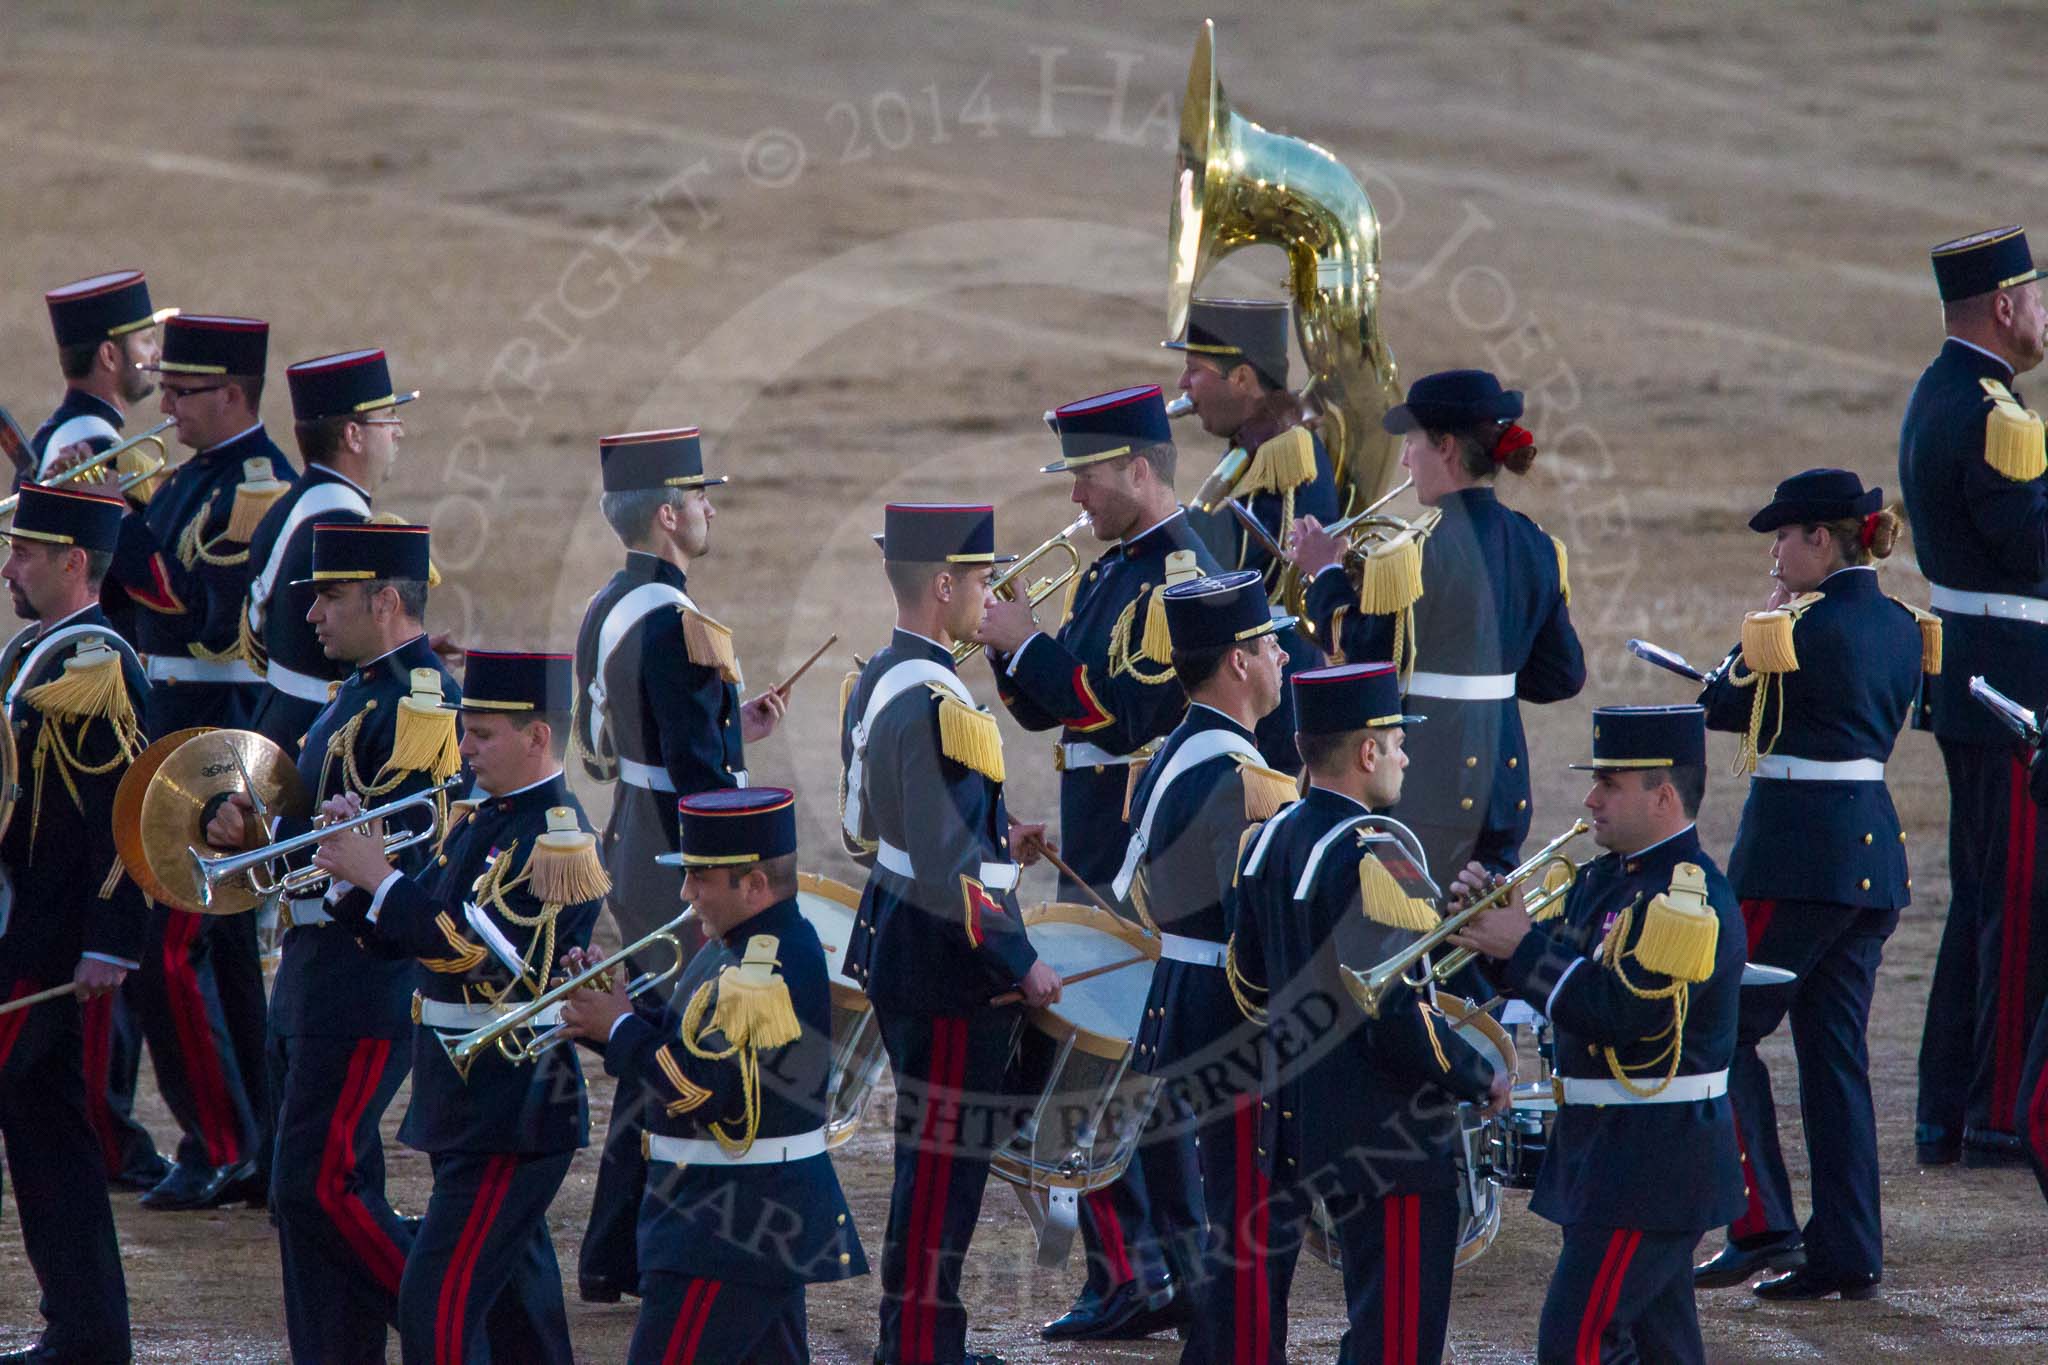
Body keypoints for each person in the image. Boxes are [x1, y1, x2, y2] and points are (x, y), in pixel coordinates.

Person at [976, 385, 1217, 1336]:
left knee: (1119, 1057)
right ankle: (1146, 1269)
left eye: (1086, 473)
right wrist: (1012, 649)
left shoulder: (1177, 573)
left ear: (1140, 469)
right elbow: (1054, 707)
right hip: (1102, 833)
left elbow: (1118, 708)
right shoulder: (1116, 566)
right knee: (1125, 1059)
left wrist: (1025, 640)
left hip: (1140, 842)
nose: (1074, 492)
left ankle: (1149, 1272)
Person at [202, 522, 456, 1362]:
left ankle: (455, 1324)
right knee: (304, 1198)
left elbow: (403, 864)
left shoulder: (417, 702)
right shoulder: (359, 689)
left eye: (331, 596)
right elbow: (317, 830)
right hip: (313, 973)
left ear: (385, 601)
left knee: (317, 1185)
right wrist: (255, 833)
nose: (310, 613)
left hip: (362, 977)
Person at [315, 649, 601, 1365]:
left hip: (511, 1107)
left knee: (433, 1303)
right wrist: (352, 878)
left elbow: (474, 955)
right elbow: (401, 942)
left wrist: (379, 877)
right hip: (467, 1098)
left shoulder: (556, 837)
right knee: (520, 1319)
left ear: (537, 736)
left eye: (482, 733)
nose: (464, 747)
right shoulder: (480, 820)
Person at [1689, 471, 1926, 1301]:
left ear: (1823, 539)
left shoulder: (1794, 624)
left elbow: (1719, 702)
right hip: (1872, 860)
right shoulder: (1903, 625)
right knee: (1834, 1057)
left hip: (1794, 862)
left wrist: (1771, 614)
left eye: (1784, 539)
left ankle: (1759, 1223)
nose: (1775, 555)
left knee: (1718, 1028)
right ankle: (1849, 1249)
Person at [1449, 705, 1746, 1363]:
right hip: (1617, 1158)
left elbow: (1620, 1013)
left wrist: (1522, 947)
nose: (1590, 798)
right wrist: (1492, 936)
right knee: (1663, 1345)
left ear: (1663, 795)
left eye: (1610, 783)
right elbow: (1559, 975)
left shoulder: (1686, 904)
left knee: (1577, 1340)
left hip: (1650, 1164)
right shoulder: (1605, 881)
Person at [572, 425, 788, 1303]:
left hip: (629, 830)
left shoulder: (606, 605)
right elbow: (700, 774)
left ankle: (609, 1249)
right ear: (667, 513)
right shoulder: (683, 623)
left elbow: (605, 744)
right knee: (680, 1045)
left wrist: (739, 727)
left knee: (661, 1031)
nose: (709, 508)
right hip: (677, 853)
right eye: (700, 496)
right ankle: (623, 1244)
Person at [840, 502, 1060, 1365]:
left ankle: (919, 1339)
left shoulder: (879, 676)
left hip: (901, 939)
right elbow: (946, 870)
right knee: (940, 1172)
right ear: (942, 586)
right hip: (945, 962)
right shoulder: (938, 700)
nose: (986, 592)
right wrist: (1020, 956)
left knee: (934, 1165)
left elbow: (881, 824)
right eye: (977, 579)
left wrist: (1000, 836)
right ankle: (924, 1347)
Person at [559, 787, 869, 1364]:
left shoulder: (766, 965)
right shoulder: (734, 943)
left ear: (753, 884)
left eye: (701, 877)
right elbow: (691, 1043)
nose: (685, 893)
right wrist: (614, 1015)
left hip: (726, 1233)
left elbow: (708, 1091)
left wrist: (621, 1030)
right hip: (734, 1221)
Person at [117, 312, 291, 1211]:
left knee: (169, 949)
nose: (167, 404)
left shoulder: (255, 490)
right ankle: (257, 1135)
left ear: (232, 394)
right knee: (217, 952)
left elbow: (208, 616)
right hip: (179, 729)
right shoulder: (194, 480)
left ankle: (221, 1142)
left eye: (184, 393)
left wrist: (124, 528)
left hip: (214, 737)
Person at [1290, 367, 1585, 883]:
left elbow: (1361, 657)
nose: (1405, 459)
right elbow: (1562, 676)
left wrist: (1328, 573)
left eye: (1413, 443)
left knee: (1411, 940)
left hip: (1427, 787)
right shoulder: (1539, 546)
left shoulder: (1411, 555)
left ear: (1445, 447)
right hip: (1504, 785)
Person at [1897, 225, 2048, 1167]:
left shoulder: (1952, 391)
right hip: (2012, 688)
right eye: (2035, 299)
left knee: (1986, 896)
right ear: (2002, 307)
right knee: (2019, 899)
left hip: (1977, 680)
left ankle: (1948, 1110)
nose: (2042, 316)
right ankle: (1997, 1113)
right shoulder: (1993, 410)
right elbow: (2032, 548)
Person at [1114, 569, 1295, 1348]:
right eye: (1270, 644)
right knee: (1254, 1222)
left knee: (1234, 1212)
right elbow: (1251, 919)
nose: (1284, 655)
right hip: (1234, 1011)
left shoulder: (1183, 747)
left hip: (1189, 996)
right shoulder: (1237, 775)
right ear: (1238, 662)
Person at [0, 483, 151, 1364]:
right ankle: (86, 1325)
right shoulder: (36, 650)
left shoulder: (96, 662)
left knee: (44, 1122)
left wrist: (109, 938)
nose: (11, 565)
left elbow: (123, 819)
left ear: (74, 562)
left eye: (25, 552)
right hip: (26, 928)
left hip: (51, 937)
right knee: (43, 1122)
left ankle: (88, 1326)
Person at [1166, 295, 1335, 771]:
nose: (1182, 386)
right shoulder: (1256, 446)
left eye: (1194, 370)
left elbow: (1236, 566)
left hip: (1269, 671)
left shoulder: (1283, 450)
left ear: (1241, 377)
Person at [245, 350, 418, 753]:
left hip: (278, 718)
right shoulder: (346, 529)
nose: (398, 431)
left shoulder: (286, 508)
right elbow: (365, 650)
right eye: (388, 418)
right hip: (321, 737)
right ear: (353, 436)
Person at [31, 269, 172, 480]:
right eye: (146, 340)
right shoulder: (103, 451)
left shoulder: (44, 438)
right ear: (109, 356)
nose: (157, 353)